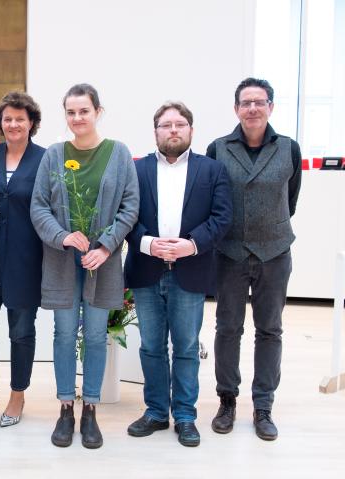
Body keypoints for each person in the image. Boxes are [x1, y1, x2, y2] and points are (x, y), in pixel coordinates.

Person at [31, 84, 139, 449]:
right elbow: (39, 206)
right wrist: (62, 235)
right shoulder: (53, 155)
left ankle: (90, 408)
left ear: (98, 112)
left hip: (102, 264)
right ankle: (65, 406)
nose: (78, 118)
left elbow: (130, 207)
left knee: (95, 336)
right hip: (63, 262)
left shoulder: (119, 154)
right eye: (71, 112)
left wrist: (107, 246)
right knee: (63, 335)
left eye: (84, 111)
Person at [124, 101, 232, 447]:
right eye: (166, 125)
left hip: (191, 270)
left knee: (186, 347)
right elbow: (126, 216)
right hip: (146, 269)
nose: (173, 130)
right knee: (152, 347)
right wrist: (147, 243)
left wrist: (191, 244)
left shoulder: (212, 170)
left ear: (191, 130)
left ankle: (185, 415)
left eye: (180, 124)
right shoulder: (136, 170)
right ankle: (156, 412)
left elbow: (221, 217)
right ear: (155, 132)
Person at [207, 78, 302, 441]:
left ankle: (263, 405)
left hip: (275, 252)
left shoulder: (289, 149)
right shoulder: (218, 148)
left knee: (270, 330)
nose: (252, 109)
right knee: (228, 329)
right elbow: (213, 198)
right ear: (236, 109)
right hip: (229, 252)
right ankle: (227, 400)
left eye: (259, 102)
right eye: (245, 103)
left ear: (270, 107)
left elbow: (290, 200)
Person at [0, 91, 45, 427]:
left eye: (20, 118)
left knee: (21, 331)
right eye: (8, 119)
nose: (14, 124)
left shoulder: (46, 159)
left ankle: (18, 395)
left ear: (31, 123)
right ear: (0, 124)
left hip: (26, 261)